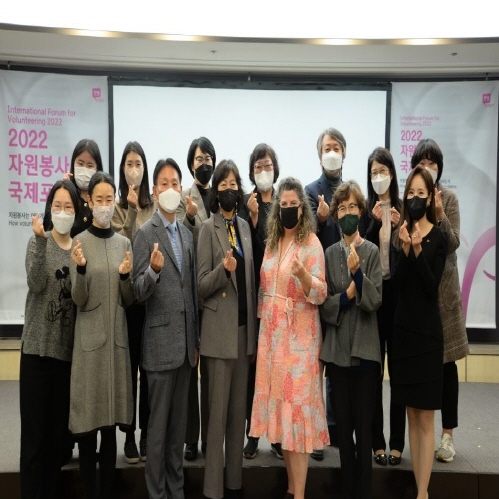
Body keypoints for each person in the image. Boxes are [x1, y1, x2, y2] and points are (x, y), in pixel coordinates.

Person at [250, 177, 329, 499]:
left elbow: (321, 293)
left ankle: (300, 494)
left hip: (300, 343)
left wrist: (303, 275)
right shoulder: (271, 243)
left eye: (293, 205)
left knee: (297, 419)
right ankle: (291, 488)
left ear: (302, 209)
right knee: (283, 419)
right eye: (282, 205)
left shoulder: (311, 243)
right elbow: (263, 290)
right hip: (272, 341)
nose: (287, 209)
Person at [133, 158, 199, 499]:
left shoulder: (187, 234)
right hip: (159, 347)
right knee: (157, 432)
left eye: (175, 183)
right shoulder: (145, 234)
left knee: (178, 431)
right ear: (155, 191)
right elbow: (136, 291)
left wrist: (196, 339)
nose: (170, 189)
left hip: (186, 348)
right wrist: (153, 272)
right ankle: (157, 494)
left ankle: (177, 490)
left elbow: (191, 292)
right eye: (164, 183)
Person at [69, 171, 135, 499]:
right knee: (87, 430)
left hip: (115, 346)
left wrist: (125, 277)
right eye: (100, 200)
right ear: (90, 202)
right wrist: (81, 269)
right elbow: (78, 299)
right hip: (88, 348)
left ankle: (107, 491)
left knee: (110, 429)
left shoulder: (124, 243)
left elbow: (129, 299)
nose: (105, 205)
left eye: (110, 199)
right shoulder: (79, 242)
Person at [197, 160, 257, 499]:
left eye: (234, 184)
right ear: (216, 191)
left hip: (243, 334)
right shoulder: (208, 228)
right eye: (224, 185)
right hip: (218, 336)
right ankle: (212, 491)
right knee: (217, 420)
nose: (229, 189)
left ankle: (234, 485)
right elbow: (202, 285)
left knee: (237, 419)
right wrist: (224, 270)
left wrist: (254, 340)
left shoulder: (245, 227)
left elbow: (251, 285)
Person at [319, 180, 382, 499]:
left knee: (364, 435)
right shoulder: (329, 254)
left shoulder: (371, 251)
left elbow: (374, 301)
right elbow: (325, 304)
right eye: (341, 208)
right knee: (343, 434)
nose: (347, 213)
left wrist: (359, 275)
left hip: (366, 355)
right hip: (338, 355)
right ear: (335, 215)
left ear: (362, 211)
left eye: (353, 207)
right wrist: (346, 295)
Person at [19, 180, 80, 499]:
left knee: (56, 441)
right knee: (33, 441)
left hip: (65, 358)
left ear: (77, 211)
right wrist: (41, 243)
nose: (63, 212)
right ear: (49, 209)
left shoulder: (80, 248)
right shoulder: (37, 241)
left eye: (68, 206)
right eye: (57, 206)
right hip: (35, 353)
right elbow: (36, 284)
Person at [391, 166, 447, 499]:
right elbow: (397, 286)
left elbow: (430, 286)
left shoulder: (438, 237)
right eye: (410, 193)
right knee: (411, 414)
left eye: (420, 194)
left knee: (426, 417)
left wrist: (416, 251)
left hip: (427, 336)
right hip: (402, 335)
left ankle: (423, 493)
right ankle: (418, 486)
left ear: (430, 198)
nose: (414, 199)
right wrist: (403, 250)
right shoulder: (400, 232)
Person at [410, 138, 469, 463]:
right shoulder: (412, 198)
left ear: (440, 168)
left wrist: (440, 214)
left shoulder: (450, 198)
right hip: (420, 294)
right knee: (422, 366)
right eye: (423, 163)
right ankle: (422, 434)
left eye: (433, 163)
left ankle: (447, 436)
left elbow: (454, 242)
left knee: (447, 366)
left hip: (444, 295)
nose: (428, 168)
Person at [237, 143, 282, 460]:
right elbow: (247, 253)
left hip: (280, 300)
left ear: (275, 169)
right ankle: (252, 435)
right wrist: (252, 219)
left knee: (278, 371)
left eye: (267, 166)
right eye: (258, 167)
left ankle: (277, 438)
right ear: (251, 173)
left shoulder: (285, 202)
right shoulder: (245, 203)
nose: (263, 171)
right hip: (254, 299)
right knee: (254, 373)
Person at [305, 127, 348, 459]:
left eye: (336, 147)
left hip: (345, 288)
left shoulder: (351, 192)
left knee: (339, 362)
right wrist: (320, 221)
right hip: (318, 287)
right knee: (316, 366)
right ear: (319, 156)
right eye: (326, 148)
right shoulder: (310, 192)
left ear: (344, 153)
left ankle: (335, 426)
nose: (331, 153)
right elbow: (306, 239)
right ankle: (316, 432)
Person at [112, 141, 155, 464]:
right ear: (122, 169)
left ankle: (147, 434)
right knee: (129, 372)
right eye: (129, 163)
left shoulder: (154, 206)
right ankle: (128, 436)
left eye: (138, 163)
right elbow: (121, 246)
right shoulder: (114, 207)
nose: (134, 169)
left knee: (149, 372)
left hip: (151, 300)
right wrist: (129, 210)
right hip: (129, 305)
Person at [363, 147, 406, 467]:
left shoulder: (404, 209)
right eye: (374, 172)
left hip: (398, 297)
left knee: (399, 374)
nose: (379, 177)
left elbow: (409, 259)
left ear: (392, 173)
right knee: (374, 373)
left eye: (383, 171)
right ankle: (377, 442)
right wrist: (372, 224)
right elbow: (361, 250)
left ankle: (397, 444)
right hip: (375, 297)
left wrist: (400, 231)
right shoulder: (367, 210)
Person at [176, 136, 216, 461]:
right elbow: (177, 239)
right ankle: (190, 437)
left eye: (208, 158)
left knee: (212, 374)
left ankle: (209, 437)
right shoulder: (182, 198)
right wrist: (190, 219)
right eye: (199, 159)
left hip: (215, 295)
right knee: (191, 370)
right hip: (190, 294)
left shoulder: (221, 195)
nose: (204, 164)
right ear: (191, 164)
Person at [43, 139, 104, 237]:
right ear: (73, 163)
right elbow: (48, 227)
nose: (84, 169)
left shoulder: (101, 198)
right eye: (80, 163)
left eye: (90, 166)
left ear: (97, 168)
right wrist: (65, 191)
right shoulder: (59, 191)